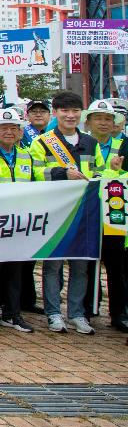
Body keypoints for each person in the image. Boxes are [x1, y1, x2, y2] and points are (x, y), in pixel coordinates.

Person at [29, 90, 98, 335]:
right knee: (52, 266)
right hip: (55, 212)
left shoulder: (90, 142)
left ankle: (77, 313)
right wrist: (62, 172)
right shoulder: (42, 142)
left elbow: (98, 173)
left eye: (75, 111)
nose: (70, 115)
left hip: (84, 213)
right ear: (55, 113)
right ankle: (54, 313)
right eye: (65, 111)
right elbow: (36, 174)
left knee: (81, 266)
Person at [0, 107, 41, 334]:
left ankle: (12, 313)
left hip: (19, 222)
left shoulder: (26, 156)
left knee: (16, 269)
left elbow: (38, 184)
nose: (9, 132)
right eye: (3, 128)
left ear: (20, 132)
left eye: (13, 128)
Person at [78, 99, 126, 330]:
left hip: (115, 215)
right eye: (99, 118)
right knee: (87, 264)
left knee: (117, 266)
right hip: (86, 211)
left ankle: (118, 313)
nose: (104, 123)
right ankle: (87, 308)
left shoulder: (124, 144)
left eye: (108, 119)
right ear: (88, 121)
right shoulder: (83, 143)